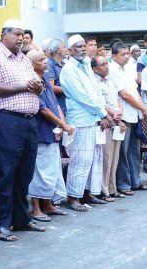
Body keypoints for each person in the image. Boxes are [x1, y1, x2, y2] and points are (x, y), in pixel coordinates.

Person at [0, 19, 44, 242]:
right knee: (5, 173)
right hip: (6, 120)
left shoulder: (24, 59)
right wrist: (26, 86)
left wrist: (38, 86)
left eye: (22, 34)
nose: (20, 38)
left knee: (24, 172)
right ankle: (1, 224)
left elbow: (35, 83)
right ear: (3, 35)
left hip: (28, 121)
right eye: (16, 34)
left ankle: (21, 218)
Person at [59, 34, 114, 212]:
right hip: (81, 120)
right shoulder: (68, 69)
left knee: (93, 159)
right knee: (80, 159)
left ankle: (86, 192)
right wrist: (103, 113)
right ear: (69, 50)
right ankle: (73, 197)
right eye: (78, 46)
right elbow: (82, 96)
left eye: (83, 46)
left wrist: (102, 114)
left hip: (93, 118)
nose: (82, 49)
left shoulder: (85, 66)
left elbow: (95, 92)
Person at [27, 49, 71, 221]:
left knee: (52, 168)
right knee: (39, 171)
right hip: (41, 131)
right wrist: (62, 124)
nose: (45, 62)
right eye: (41, 60)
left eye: (45, 59)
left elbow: (55, 105)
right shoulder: (32, 82)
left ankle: (48, 204)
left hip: (52, 130)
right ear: (31, 65)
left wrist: (62, 123)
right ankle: (36, 208)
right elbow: (43, 109)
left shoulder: (45, 80)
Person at [109, 42, 147, 197]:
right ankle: (124, 184)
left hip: (134, 114)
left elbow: (134, 91)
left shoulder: (128, 67)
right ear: (114, 56)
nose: (127, 56)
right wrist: (142, 108)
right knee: (123, 153)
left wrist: (142, 107)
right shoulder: (113, 69)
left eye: (127, 53)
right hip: (123, 116)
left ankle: (136, 181)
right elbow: (124, 94)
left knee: (134, 151)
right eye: (123, 54)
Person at [92, 54, 124, 201]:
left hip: (116, 121)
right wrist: (112, 114)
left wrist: (119, 114)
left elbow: (118, 99)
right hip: (105, 122)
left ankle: (112, 188)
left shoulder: (111, 80)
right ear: (95, 69)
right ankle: (103, 190)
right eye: (103, 64)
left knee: (114, 158)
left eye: (107, 64)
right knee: (105, 158)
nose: (106, 66)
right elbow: (98, 102)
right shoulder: (94, 82)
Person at [45, 38, 67, 116]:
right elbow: (51, 87)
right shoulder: (49, 65)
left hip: (67, 106)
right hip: (59, 107)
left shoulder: (64, 64)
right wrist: (71, 90)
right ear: (58, 50)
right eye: (64, 47)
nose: (66, 50)